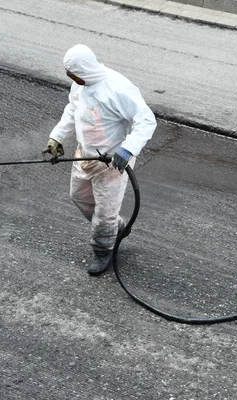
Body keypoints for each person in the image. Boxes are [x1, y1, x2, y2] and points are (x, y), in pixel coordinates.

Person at [45, 44, 157, 276]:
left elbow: (146, 120)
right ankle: (115, 228)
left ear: (84, 68)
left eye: (72, 72)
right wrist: (56, 136)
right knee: (79, 197)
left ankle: (103, 250)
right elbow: (72, 110)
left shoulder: (118, 89)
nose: (70, 77)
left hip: (113, 163)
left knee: (105, 213)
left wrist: (127, 150)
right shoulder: (79, 85)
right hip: (84, 156)